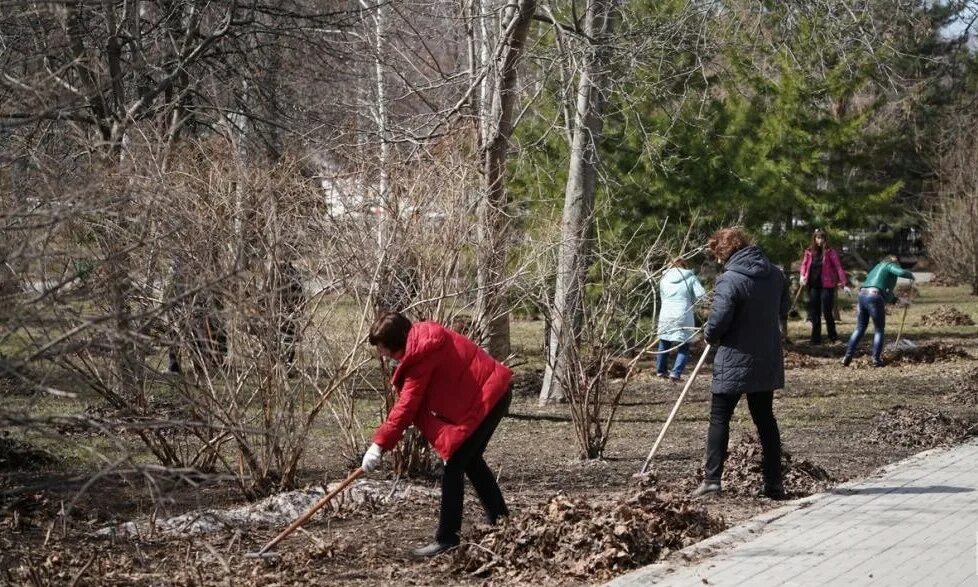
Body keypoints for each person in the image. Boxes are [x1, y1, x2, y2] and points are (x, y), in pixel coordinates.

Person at [361, 312, 513, 557]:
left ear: (396, 343)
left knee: (454, 466)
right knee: (470, 461)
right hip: (491, 393)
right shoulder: (422, 340)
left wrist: (378, 445)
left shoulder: (420, 356)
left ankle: (447, 539)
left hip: (489, 398)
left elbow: (407, 406)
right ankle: (501, 521)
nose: (384, 354)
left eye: (384, 349)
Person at [691, 228, 789, 501]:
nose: (718, 260)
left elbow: (718, 321)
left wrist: (710, 335)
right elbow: (784, 309)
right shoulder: (776, 274)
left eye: (717, 254)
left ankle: (712, 481)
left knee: (720, 418)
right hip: (766, 357)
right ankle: (774, 485)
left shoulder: (729, 280)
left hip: (734, 358)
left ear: (725, 252)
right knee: (765, 420)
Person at [842, 255, 915, 368]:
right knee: (879, 329)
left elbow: (886, 292)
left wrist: (899, 300)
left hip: (862, 295)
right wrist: (910, 275)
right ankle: (876, 359)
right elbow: (901, 273)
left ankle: (847, 356)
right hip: (874, 297)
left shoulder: (876, 267)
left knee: (860, 328)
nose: (897, 264)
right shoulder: (889, 265)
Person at [655, 257, 707, 382]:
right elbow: (702, 296)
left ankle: (661, 371)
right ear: (684, 266)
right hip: (683, 314)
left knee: (664, 342)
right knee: (684, 345)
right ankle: (675, 373)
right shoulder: (690, 277)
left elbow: (662, 296)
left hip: (666, 314)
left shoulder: (664, 278)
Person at [799, 228, 850, 344]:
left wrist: (844, 284)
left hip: (827, 286)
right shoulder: (809, 252)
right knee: (814, 313)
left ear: (825, 239)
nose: (820, 240)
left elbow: (838, 267)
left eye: (822, 238)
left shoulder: (830, 252)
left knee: (827, 312)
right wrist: (802, 276)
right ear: (814, 239)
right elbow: (804, 265)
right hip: (813, 286)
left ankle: (833, 337)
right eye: (818, 238)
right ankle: (815, 339)